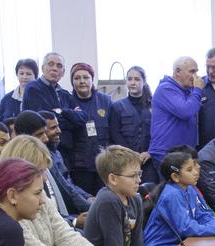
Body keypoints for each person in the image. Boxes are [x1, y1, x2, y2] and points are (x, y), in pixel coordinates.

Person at [1, 136, 129, 246]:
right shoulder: (7, 217)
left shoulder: (41, 198)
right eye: (39, 172)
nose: (45, 178)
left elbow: (67, 236)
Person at [143, 151, 215, 246]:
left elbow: (203, 217)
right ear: (175, 177)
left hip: (179, 245)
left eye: (194, 167)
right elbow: (186, 228)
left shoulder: (190, 189)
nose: (196, 172)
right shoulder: (172, 194)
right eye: (189, 170)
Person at [15, 110, 92, 225]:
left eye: (45, 133)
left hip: (64, 219)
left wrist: (90, 205)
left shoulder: (49, 155)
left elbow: (67, 186)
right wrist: (75, 221)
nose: (45, 138)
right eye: (40, 134)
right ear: (24, 137)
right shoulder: (19, 172)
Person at [83, 145, 146, 246]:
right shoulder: (108, 201)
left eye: (139, 174)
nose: (139, 180)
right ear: (113, 179)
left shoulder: (136, 199)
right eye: (133, 176)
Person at [64, 63, 112, 195]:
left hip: (103, 164)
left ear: (92, 79)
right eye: (77, 78)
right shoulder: (66, 101)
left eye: (86, 77)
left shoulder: (106, 101)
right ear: (72, 81)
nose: (82, 81)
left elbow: (113, 132)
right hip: (78, 166)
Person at [149, 57, 203, 165]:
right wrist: (197, 90)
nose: (196, 76)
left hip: (183, 154)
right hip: (167, 155)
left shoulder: (187, 91)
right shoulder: (166, 89)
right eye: (192, 71)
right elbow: (186, 111)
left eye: (196, 72)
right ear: (178, 71)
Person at [110, 66, 155, 183]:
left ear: (144, 81)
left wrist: (150, 151)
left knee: (149, 193)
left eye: (137, 79)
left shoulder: (154, 106)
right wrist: (131, 153)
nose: (133, 83)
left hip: (148, 160)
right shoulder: (117, 106)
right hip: (126, 159)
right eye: (129, 79)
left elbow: (160, 132)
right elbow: (115, 133)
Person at [22, 52, 84, 132]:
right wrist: (71, 119)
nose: (55, 68)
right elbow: (44, 119)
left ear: (63, 72)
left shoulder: (64, 94)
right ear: (43, 68)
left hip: (67, 143)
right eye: (50, 64)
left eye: (59, 66)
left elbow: (82, 117)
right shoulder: (33, 88)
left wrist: (62, 111)